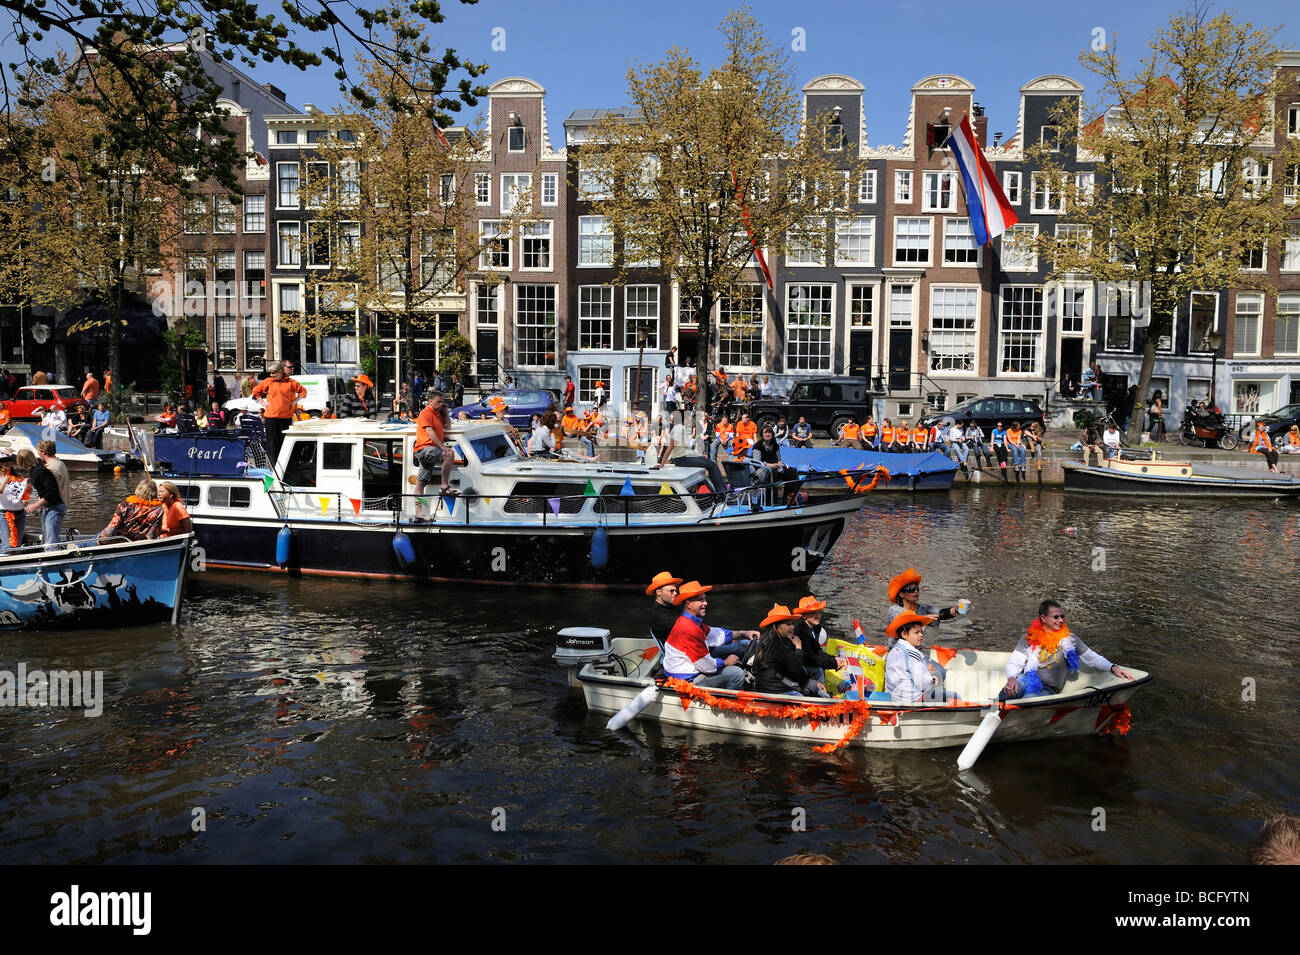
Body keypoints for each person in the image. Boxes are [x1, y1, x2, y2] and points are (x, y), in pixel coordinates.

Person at [999, 600, 1134, 701]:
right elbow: (1015, 663)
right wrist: (1011, 679)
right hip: (1026, 679)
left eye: (1062, 616)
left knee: (1028, 701)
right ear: (1043, 618)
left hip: (1048, 689)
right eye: (1056, 617)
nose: (1061, 620)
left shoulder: (1070, 640)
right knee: (1007, 692)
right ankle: (989, 716)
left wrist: (1113, 668)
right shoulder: (1028, 638)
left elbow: (1092, 657)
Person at [662, 580, 748, 690]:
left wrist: (743, 632)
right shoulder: (689, 629)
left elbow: (717, 635)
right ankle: (724, 704)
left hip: (685, 669)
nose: (706, 603)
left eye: (705, 599)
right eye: (701, 600)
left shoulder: (690, 621)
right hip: (685, 680)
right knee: (736, 674)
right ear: (689, 604)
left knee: (740, 646)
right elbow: (706, 666)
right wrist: (726, 662)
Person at [753, 603, 833, 696]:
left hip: (772, 685)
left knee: (816, 679)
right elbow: (796, 669)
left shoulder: (771, 640)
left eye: (792, 624)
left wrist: (812, 683)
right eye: (788, 624)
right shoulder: (777, 645)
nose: (792, 627)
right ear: (776, 627)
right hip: (776, 690)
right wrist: (798, 647)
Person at [251, 361, 307, 462]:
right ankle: (273, 468)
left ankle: (285, 466)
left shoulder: (291, 382)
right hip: (271, 418)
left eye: (274, 373)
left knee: (285, 443)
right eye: (271, 373)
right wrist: (262, 402)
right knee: (272, 444)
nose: (272, 375)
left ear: (280, 372)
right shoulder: (269, 381)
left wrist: (295, 401)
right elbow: (256, 391)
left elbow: (303, 391)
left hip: (286, 418)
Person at [885, 612, 945, 703]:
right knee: (955, 697)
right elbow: (922, 684)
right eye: (916, 632)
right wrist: (931, 678)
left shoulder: (893, 651)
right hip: (912, 699)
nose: (921, 635)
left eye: (921, 632)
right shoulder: (912, 653)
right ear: (904, 634)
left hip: (895, 696)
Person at [886, 566, 962, 636]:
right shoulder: (894, 610)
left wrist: (957, 609)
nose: (916, 591)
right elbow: (902, 629)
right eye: (911, 589)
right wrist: (924, 620)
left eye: (917, 589)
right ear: (902, 594)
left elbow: (942, 613)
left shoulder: (923, 608)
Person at [413, 392, 454, 520]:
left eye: (442, 402)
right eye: (438, 402)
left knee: (421, 483)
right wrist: (442, 447)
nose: (441, 404)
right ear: (430, 401)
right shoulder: (425, 413)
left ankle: (419, 513)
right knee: (449, 454)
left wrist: (446, 412)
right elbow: (429, 431)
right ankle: (444, 486)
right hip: (424, 449)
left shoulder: (438, 415)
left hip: (431, 450)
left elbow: (448, 426)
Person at [792, 595, 844, 696]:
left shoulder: (815, 628)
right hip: (799, 666)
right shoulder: (801, 631)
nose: (818, 616)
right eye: (813, 613)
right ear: (804, 615)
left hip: (806, 661)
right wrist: (833, 663)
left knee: (822, 667)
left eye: (819, 612)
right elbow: (808, 658)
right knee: (819, 670)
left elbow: (817, 651)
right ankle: (822, 697)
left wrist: (834, 660)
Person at [25, 440, 67, 546]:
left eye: (38, 451)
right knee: (48, 540)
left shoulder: (51, 468)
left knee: (50, 543)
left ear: (43, 451)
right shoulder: (59, 462)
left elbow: (52, 491)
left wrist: (36, 505)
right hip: (57, 505)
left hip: (54, 506)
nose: (37, 454)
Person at [98, 479, 164, 541]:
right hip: (137, 543)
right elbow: (151, 536)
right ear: (155, 492)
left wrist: (101, 540)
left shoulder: (124, 506)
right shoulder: (159, 510)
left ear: (138, 489)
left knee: (93, 539)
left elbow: (109, 532)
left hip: (114, 541)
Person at [0, 450, 33, 552]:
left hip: (20, 513)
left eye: (9, 460)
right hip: (4, 515)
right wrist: (4, 483)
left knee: (17, 545)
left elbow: (26, 494)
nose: (8, 462)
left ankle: (17, 564)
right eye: (4, 460)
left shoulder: (18, 477)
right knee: (7, 545)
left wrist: (28, 488)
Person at [647, 571, 684, 647]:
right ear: (659, 592)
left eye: (675, 590)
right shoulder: (661, 616)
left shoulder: (669, 607)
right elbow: (689, 628)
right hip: (680, 655)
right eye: (671, 591)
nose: (676, 593)